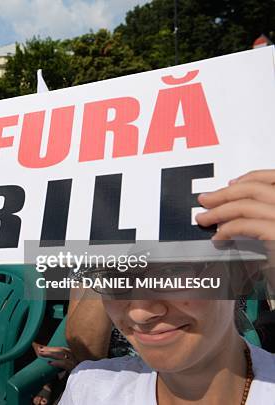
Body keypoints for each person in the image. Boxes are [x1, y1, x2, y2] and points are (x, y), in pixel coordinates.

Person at [59, 169, 275, 405]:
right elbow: (83, 337)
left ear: (242, 273)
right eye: (114, 276)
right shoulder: (89, 391)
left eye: (173, 272)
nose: (140, 313)